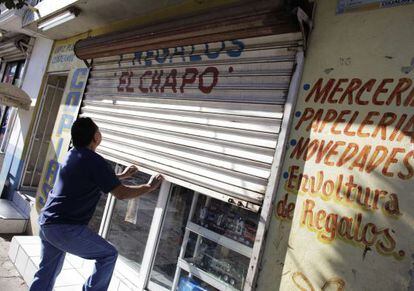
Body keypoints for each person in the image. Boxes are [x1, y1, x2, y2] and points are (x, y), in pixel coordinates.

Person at [30, 117, 163, 291]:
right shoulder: (94, 160)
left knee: (46, 274)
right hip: (64, 228)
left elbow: (93, 178)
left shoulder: (73, 154)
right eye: (98, 130)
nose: (100, 133)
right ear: (95, 137)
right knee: (108, 254)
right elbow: (121, 194)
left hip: (47, 224)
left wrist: (121, 175)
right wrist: (148, 187)